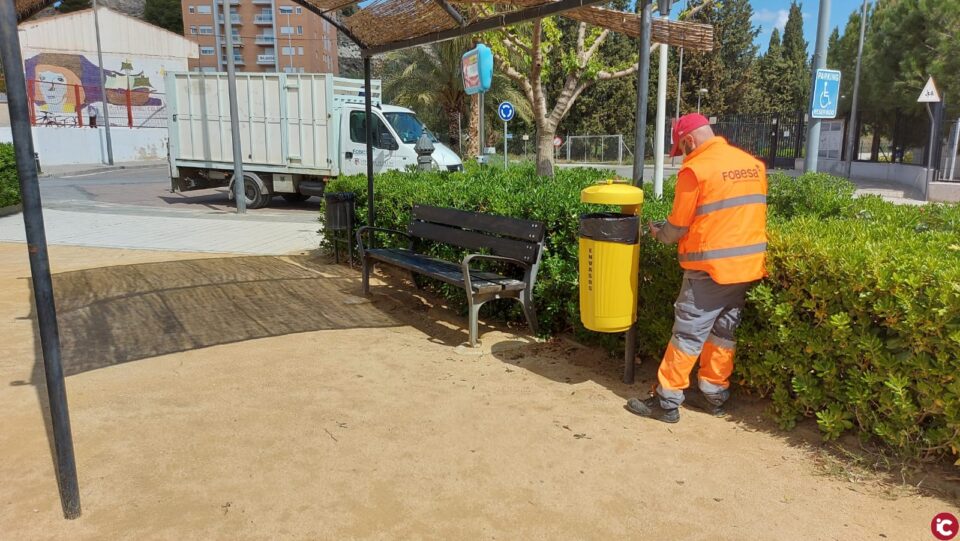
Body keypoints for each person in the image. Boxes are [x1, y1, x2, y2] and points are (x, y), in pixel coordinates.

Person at [626, 113, 767, 424]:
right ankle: (714, 394)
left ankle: (666, 400)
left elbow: (677, 225)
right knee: (723, 333)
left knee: (687, 335)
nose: (682, 155)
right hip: (746, 268)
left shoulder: (696, 170)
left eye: (681, 148)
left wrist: (660, 234)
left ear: (688, 141)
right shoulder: (752, 165)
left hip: (709, 270)